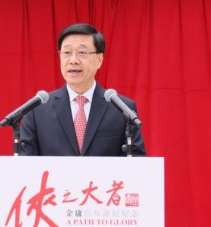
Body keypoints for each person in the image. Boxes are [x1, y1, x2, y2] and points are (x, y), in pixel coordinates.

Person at [19, 23, 146, 156]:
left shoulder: (122, 108)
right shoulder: (36, 110)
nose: (73, 60)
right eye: (67, 53)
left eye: (82, 53)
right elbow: (25, 163)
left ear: (99, 59)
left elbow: (137, 161)